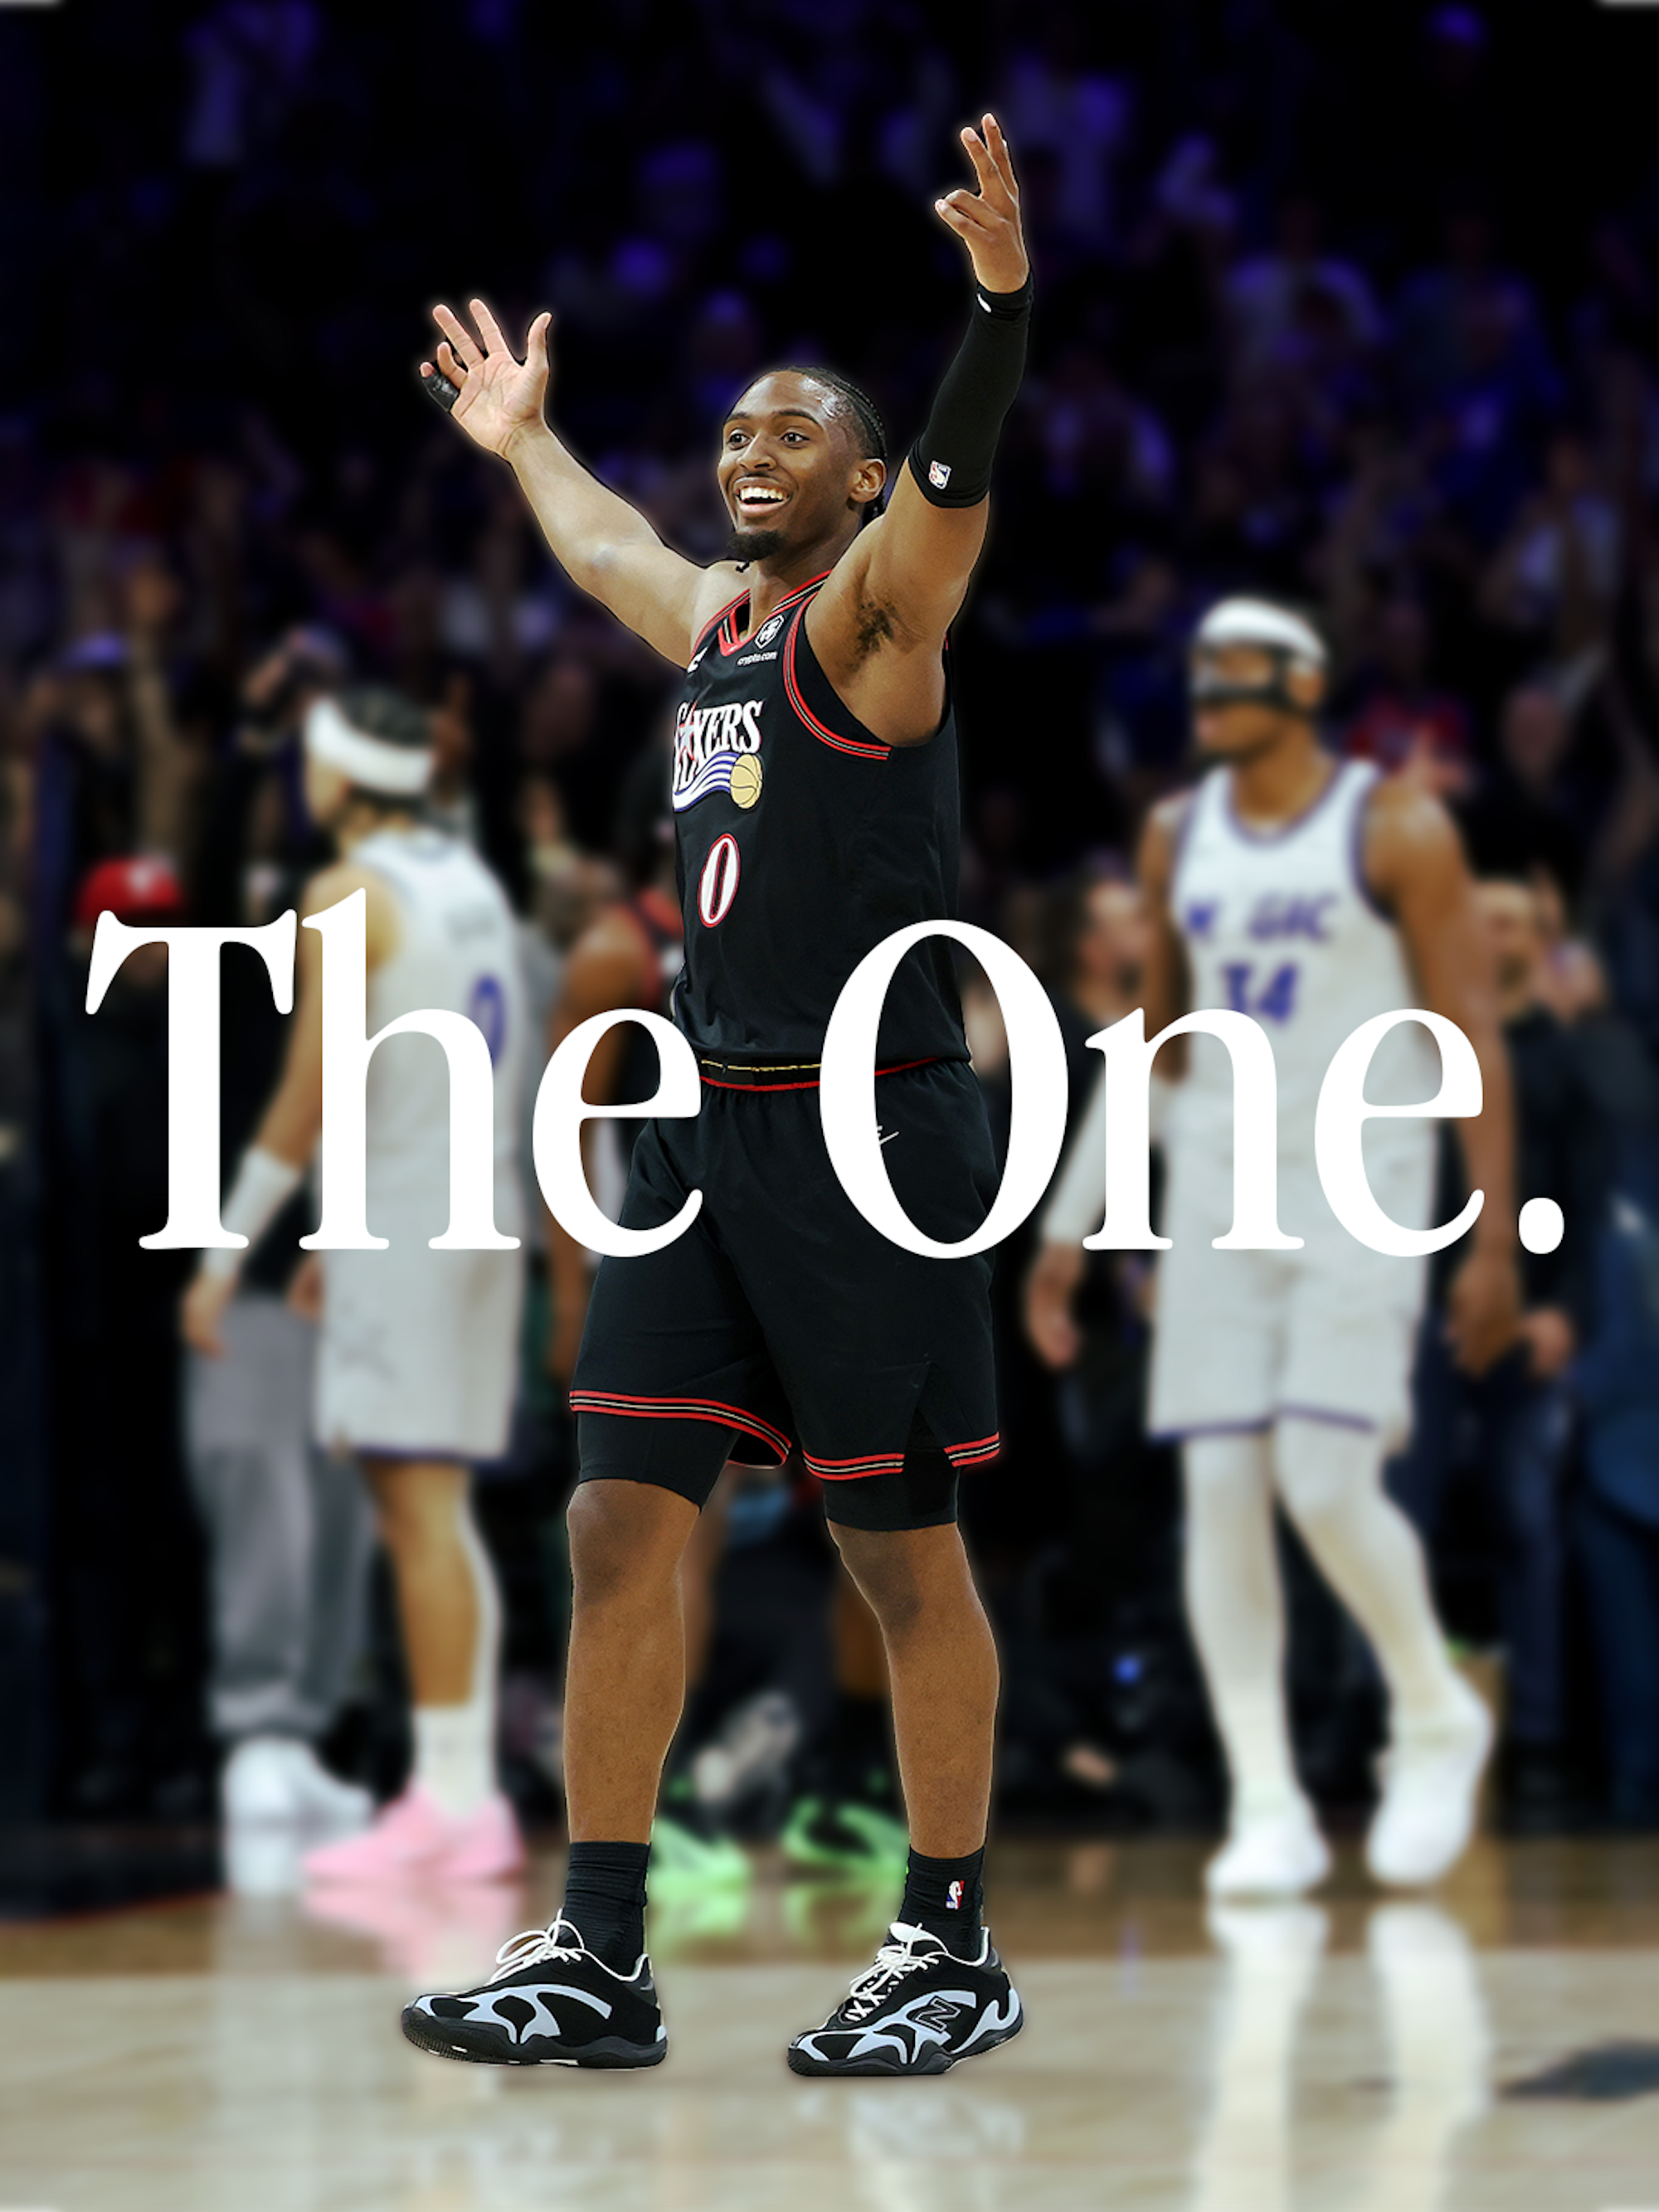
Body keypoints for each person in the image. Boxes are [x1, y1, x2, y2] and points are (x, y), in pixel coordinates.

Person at [401, 114, 1031, 2076]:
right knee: (610, 1526)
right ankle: (600, 1951)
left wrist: (994, 311)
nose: (749, 451)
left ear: (850, 480)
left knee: (895, 1552)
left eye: (792, 434)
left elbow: (948, 500)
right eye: (735, 430)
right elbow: (611, 553)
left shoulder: (871, 623)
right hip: (703, 1121)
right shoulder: (713, 628)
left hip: (865, 1127)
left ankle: (945, 1939)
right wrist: (524, 449)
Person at [1029, 597, 1520, 1898]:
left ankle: (1433, 1704)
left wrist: (1495, 1240)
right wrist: (1071, 1220)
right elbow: (1163, 1038)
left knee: (1322, 1476)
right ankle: (1267, 1799)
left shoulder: (1395, 827)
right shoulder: (1174, 833)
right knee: (1221, 1494)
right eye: (1197, 671)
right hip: (1218, 1194)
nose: (1205, 691)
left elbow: (1473, 1032)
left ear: (1302, 685)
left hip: (1365, 1180)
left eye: (1232, 672)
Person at [182, 685, 529, 1884]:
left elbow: (307, 1090)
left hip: (413, 1229)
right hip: (481, 1214)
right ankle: (462, 1782)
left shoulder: (346, 893)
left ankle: (452, 1797)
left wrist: (229, 1250)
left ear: (330, 777)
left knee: (415, 1509)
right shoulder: (471, 878)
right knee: (442, 1508)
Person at [1389, 879, 1603, 1821]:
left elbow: (1594, 1206)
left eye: (1510, 921)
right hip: (1418, 1324)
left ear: (1539, 940)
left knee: (1527, 1525)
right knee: (1402, 1527)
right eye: (1477, 916)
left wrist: (1564, 1313)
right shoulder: (1412, 1045)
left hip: (1525, 1329)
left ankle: (1541, 1744)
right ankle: (1401, 1731)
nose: (1491, 933)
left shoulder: (1562, 1061)